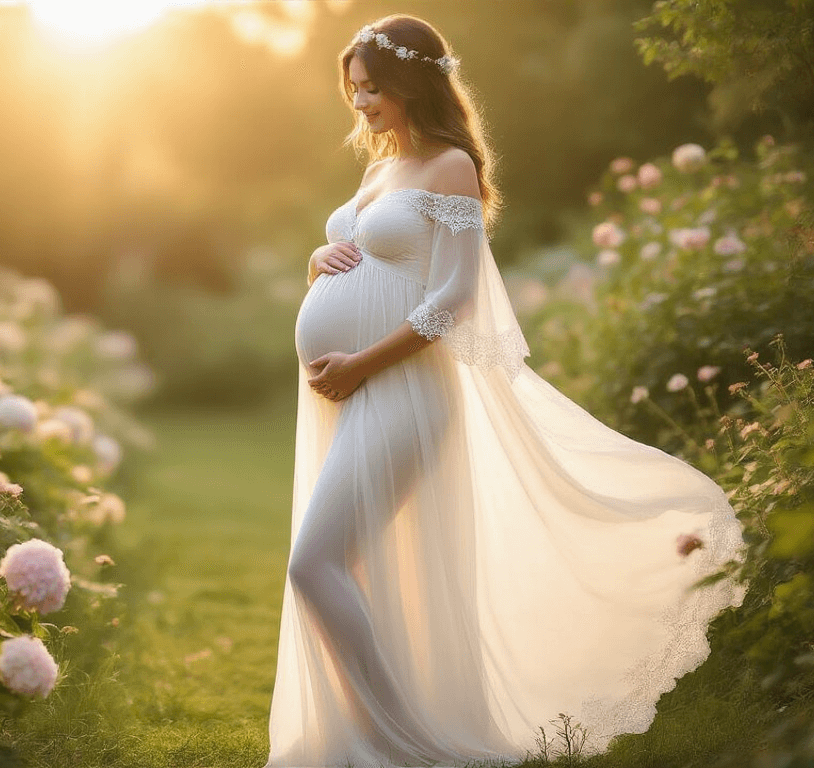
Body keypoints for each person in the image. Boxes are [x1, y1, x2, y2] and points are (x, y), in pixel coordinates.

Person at [266, 14, 745, 768]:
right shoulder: (377, 170)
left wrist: (361, 361)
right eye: (353, 90)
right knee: (354, 568)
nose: (360, 105)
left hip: (405, 390)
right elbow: (373, 261)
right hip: (354, 390)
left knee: (313, 564)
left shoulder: (450, 166)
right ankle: (366, 734)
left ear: (413, 83)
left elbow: (452, 298)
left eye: (373, 89)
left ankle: (406, 742)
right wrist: (318, 261)